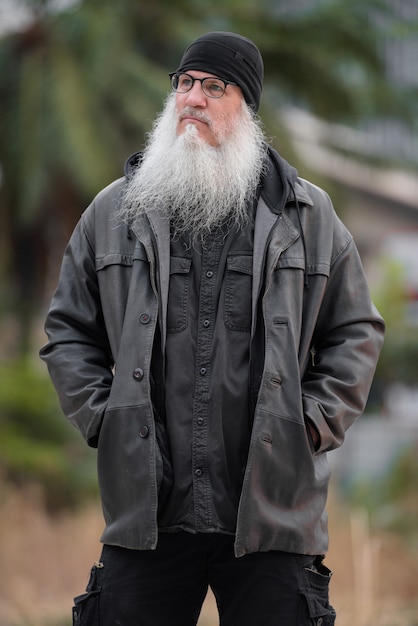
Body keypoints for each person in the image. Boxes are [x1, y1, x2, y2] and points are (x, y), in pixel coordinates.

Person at [40, 31, 384, 626]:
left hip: (271, 517)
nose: (193, 98)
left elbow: (355, 332)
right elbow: (68, 330)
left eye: (214, 86)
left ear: (245, 108)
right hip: (148, 517)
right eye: (185, 83)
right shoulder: (113, 212)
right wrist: (107, 415)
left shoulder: (309, 217)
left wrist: (309, 423)